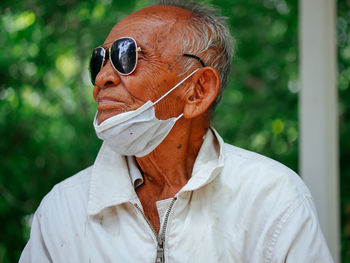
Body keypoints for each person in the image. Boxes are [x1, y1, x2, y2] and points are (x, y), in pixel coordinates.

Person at [20, 1, 334, 262]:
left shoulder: (272, 198)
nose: (103, 77)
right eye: (99, 60)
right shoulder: (63, 210)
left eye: (126, 56)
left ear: (198, 90)